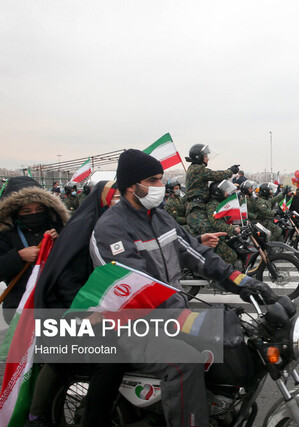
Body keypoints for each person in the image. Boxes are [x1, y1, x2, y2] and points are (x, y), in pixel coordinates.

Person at [89, 149, 276, 426]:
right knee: (185, 361)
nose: (159, 186)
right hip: (129, 326)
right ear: (131, 185)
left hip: (167, 318)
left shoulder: (160, 217)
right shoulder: (110, 229)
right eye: (152, 180)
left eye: (160, 179)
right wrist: (185, 319)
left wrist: (243, 282)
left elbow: (199, 255)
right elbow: (136, 289)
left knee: (232, 344)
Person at [28, 181, 121, 427]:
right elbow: (68, 279)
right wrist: (88, 311)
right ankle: (37, 417)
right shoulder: (84, 227)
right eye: (115, 196)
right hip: (71, 309)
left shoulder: (105, 224)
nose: (118, 201)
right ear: (102, 198)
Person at [0, 177, 67, 323]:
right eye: (26, 211)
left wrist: (59, 243)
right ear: (15, 212)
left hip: (56, 305)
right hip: (20, 306)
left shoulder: (57, 227)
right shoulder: (6, 234)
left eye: (39, 209)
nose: (34, 214)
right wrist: (18, 257)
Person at [185, 143, 238, 235]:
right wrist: (230, 171)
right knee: (208, 231)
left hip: (200, 205)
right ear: (199, 157)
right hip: (196, 208)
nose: (207, 158)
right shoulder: (197, 169)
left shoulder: (195, 168)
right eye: (205, 156)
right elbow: (216, 175)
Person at [205, 180, 241, 265]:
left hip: (223, 236)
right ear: (218, 192)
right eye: (224, 191)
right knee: (231, 256)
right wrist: (232, 229)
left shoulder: (219, 203)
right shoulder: (212, 205)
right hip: (215, 238)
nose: (227, 193)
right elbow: (215, 223)